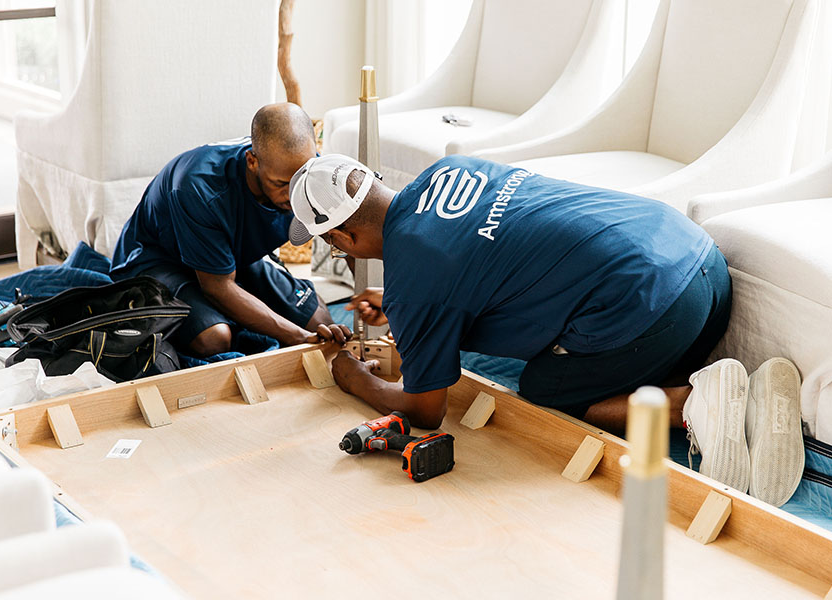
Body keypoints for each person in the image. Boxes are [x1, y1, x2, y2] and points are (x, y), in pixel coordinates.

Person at [285, 153, 804, 507]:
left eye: (333, 244)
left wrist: (352, 377)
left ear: (346, 237)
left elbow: (425, 411)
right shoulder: (449, 171)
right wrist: (405, 309)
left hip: (657, 308)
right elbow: (485, 257)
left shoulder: (416, 282)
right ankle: (742, 395)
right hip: (702, 266)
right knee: (587, 327)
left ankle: (690, 405)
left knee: (544, 389)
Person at [110, 103, 350, 357]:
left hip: (232, 252)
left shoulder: (310, 171)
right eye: (280, 184)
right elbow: (218, 287)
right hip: (159, 260)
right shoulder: (198, 187)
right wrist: (296, 336)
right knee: (215, 338)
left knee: (321, 322)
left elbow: (348, 228)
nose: (294, 195)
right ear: (252, 161)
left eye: (300, 180)